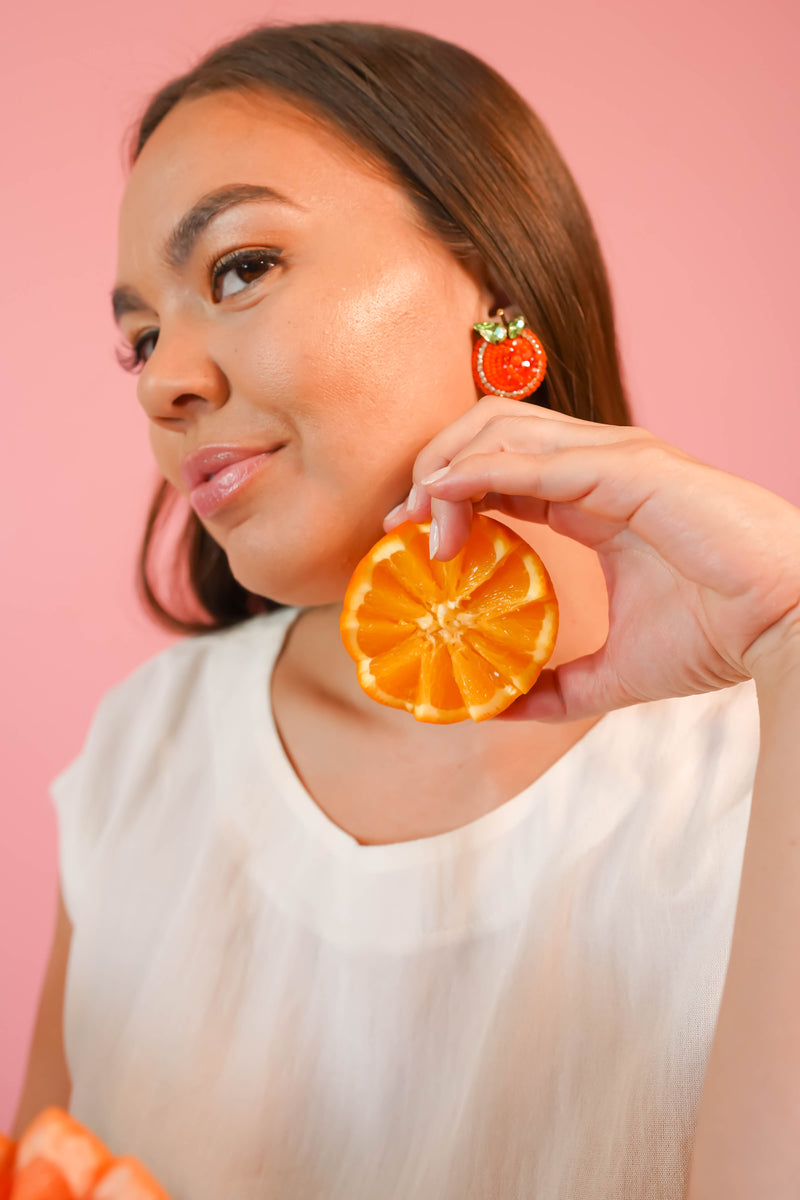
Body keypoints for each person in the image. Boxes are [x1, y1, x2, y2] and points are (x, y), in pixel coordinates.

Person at [13, 20, 800, 1200]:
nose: (168, 381)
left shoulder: (758, 757)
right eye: (140, 340)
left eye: (240, 268)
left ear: (491, 281)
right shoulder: (144, 753)